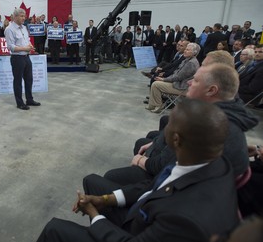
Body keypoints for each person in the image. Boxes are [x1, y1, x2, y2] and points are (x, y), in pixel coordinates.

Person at [36, 99, 240, 242]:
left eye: (169, 125)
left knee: (55, 229)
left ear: (176, 139)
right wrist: (105, 200)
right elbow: (153, 185)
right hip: (145, 215)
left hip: (138, 231)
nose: (162, 130)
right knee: (92, 181)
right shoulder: (208, 161)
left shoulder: (184, 219)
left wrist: (95, 215)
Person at [102, 59, 257, 187]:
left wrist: (143, 161)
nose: (189, 82)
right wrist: (155, 144)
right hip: (190, 183)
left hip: (175, 188)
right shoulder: (227, 114)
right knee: (143, 142)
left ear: (211, 90)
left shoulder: (205, 124)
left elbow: (165, 166)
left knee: (108, 177)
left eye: (195, 80)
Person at [146, 42, 200, 113]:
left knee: (156, 85)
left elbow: (178, 77)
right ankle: (152, 105)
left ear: (194, 53)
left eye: (187, 50)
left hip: (182, 88)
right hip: (178, 84)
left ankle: (158, 105)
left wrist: (164, 79)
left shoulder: (191, 63)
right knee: (155, 82)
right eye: (186, 49)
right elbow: (176, 73)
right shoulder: (187, 60)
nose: (185, 51)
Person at [4, 8, 40, 110]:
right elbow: (11, 47)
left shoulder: (24, 28)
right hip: (17, 58)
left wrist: (30, 46)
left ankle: (29, 99)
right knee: (18, 81)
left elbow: (27, 40)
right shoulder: (9, 29)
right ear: (15, 17)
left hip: (26, 57)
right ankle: (20, 103)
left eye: (24, 16)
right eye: (21, 16)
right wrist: (26, 48)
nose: (24, 18)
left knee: (29, 80)